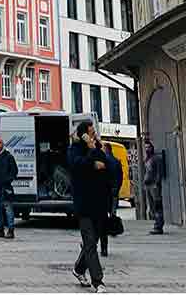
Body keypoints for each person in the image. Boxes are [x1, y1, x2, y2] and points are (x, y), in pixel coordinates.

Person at [68, 121, 109, 292]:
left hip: (99, 204)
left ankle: (78, 269)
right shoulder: (74, 150)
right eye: (91, 132)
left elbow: (107, 166)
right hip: (83, 204)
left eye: (94, 133)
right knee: (90, 242)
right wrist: (92, 159)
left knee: (92, 242)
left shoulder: (97, 148)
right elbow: (77, 167)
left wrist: (96, 147)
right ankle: (98, 281)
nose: (93, 135)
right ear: (83, 134)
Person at [101, 141, 124, 257]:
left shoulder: (104, 161)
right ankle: (113, 229)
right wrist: (117, 188)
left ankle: (103, 247)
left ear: (106, 149)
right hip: (114, 190)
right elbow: (121, 177)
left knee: (103, 216)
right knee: (113, 211)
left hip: (105, 192)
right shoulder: (117, 161)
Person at [143, 140, 165, 235]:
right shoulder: (147, 159)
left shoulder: (156, 158)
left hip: (154, 186)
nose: (147, 149)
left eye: (149, 147)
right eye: (146, 147)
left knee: (157, 206)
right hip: (148, 185)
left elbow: (159, 173)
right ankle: (156, 224)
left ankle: (158, 226)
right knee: (152, 207)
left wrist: (156, 183)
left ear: (152, 148)